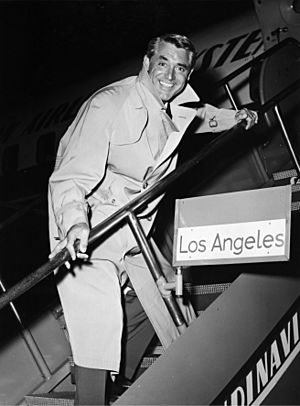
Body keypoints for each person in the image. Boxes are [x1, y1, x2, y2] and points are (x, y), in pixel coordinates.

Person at [48, 33, 258, 405]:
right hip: (91, 223)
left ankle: (147, 379)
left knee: (167, 296)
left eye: (180, 68)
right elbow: (70, 175)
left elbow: (202, 116)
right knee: (97, 320)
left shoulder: (177, 102)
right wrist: (74, 222)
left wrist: (236, 117)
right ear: (146, 63)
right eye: (162, 63)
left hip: (135, 226)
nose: (170, 75)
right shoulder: (108, 105)